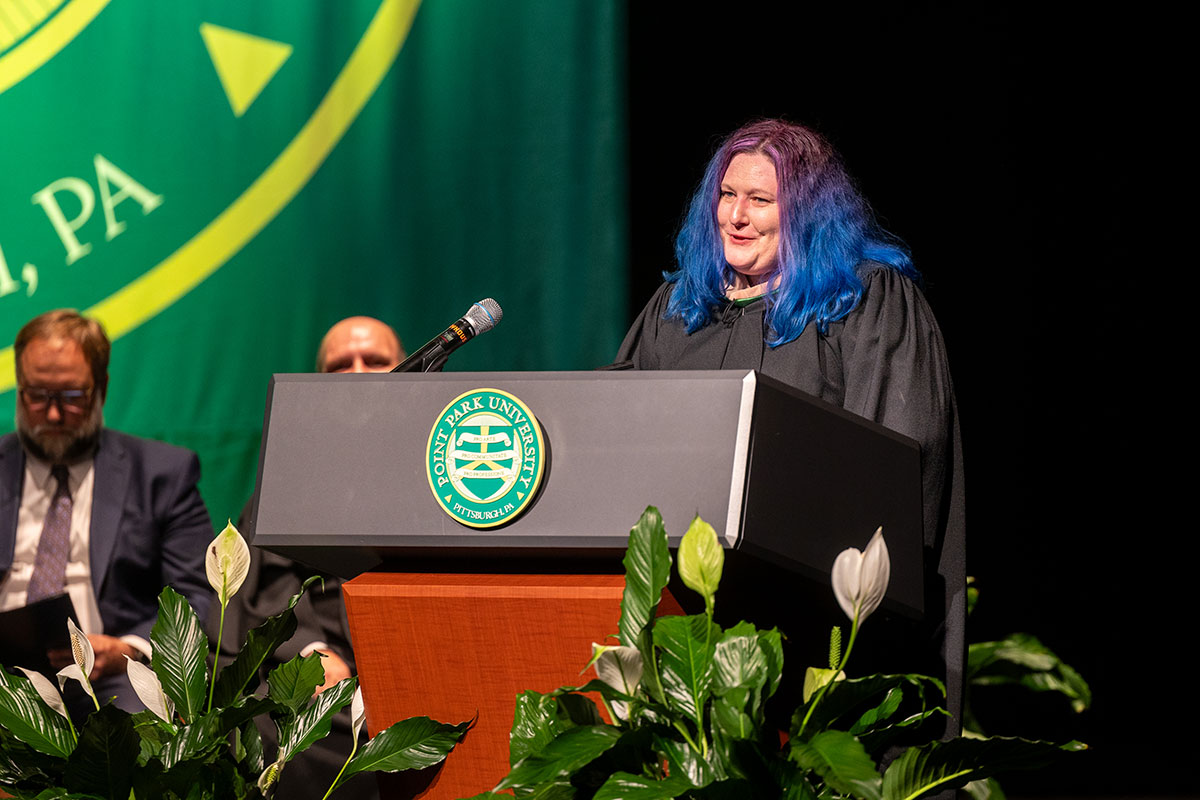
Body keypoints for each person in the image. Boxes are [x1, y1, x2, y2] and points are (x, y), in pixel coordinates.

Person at [616, 119, 965, 735]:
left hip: (821, 629)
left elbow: (898, 461)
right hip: (687, 631)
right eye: (727, 195)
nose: (736, 216)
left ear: (806, 214)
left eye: (760, 200)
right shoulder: (677, 314)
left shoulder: (866, 304)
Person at [210, 315, 403, 798]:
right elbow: (258, 594)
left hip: (412, 662)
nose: (358, 373)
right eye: (341, 365)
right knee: (258, 734)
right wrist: (308, 652)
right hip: (321, 682)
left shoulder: (444, 469)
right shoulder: (288, 481)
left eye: (376, 361)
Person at [0, 310, 213, 711]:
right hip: (3, 675)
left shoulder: (162, 474)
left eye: (72, 397)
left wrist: (129, 650)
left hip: (114, 677)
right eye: (37, 395)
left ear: (102, 388)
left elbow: (198, 598)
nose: (53, 414)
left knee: (142, 731)